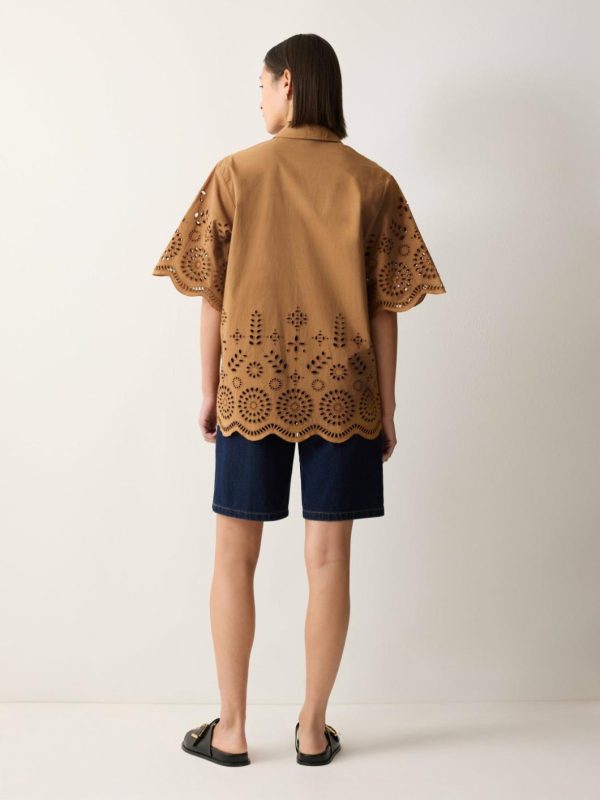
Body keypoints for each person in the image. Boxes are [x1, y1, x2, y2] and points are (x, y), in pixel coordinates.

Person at [152, 33, 446, 767]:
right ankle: (313, 731)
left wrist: (209, 389)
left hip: (252, 383)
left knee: (234, 555)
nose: (258, 101)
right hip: (346, 390)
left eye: (261, 86)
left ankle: (231, 730)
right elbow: (385, 309)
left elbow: (212, 296)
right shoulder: (373, 183)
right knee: (330, 559)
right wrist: (387, 406)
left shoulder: (236, 173)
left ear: (287, 83)